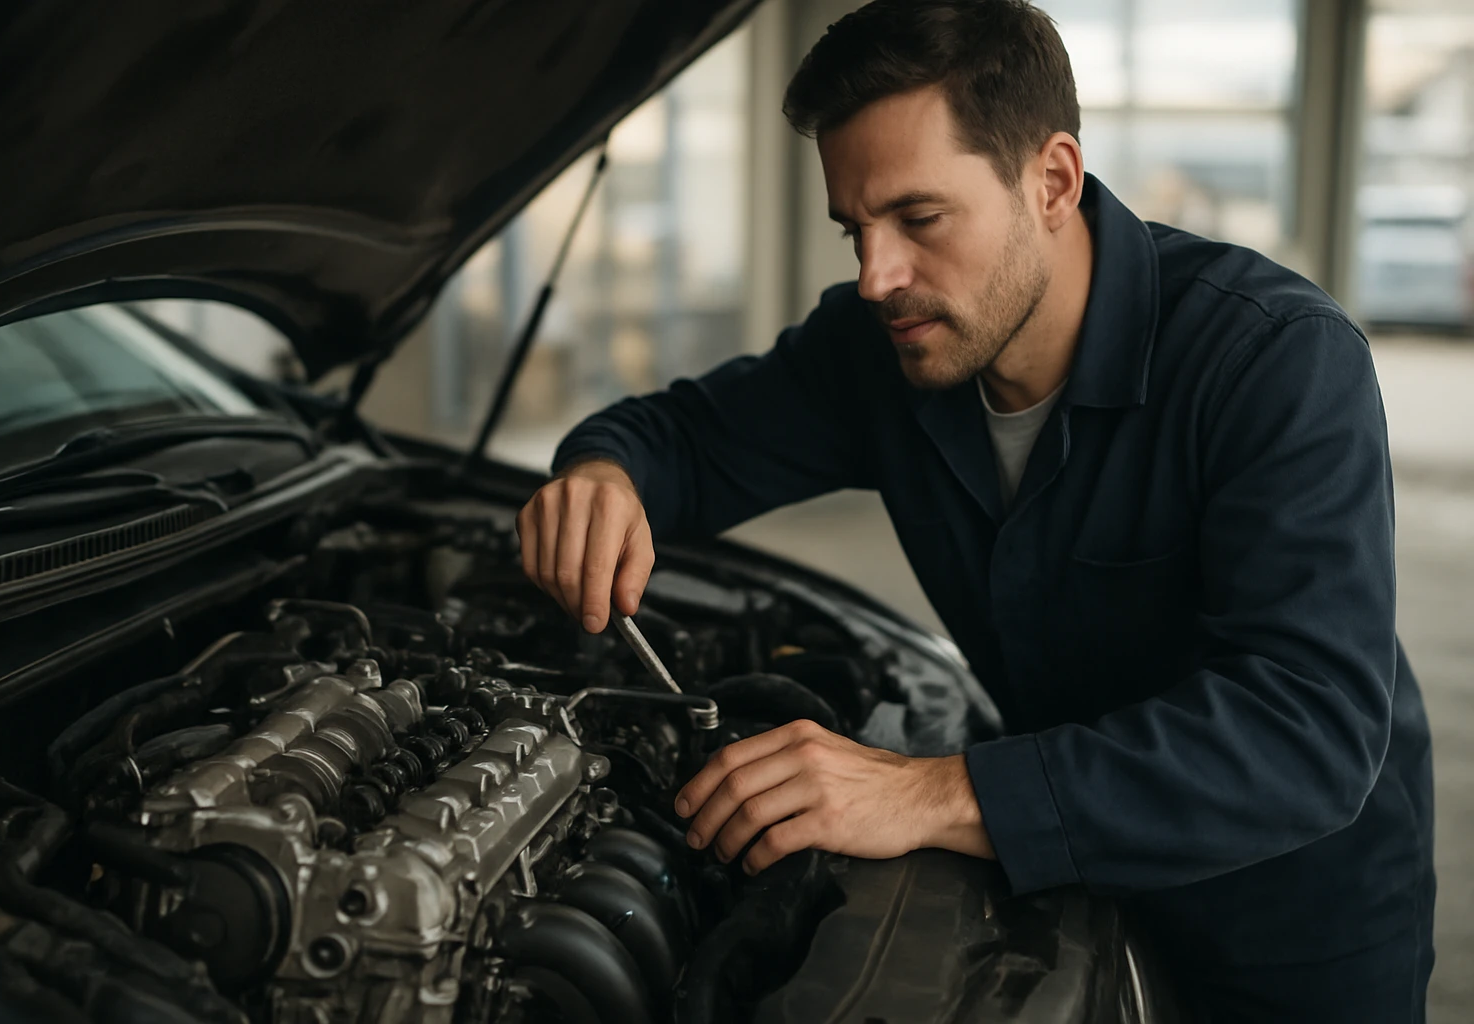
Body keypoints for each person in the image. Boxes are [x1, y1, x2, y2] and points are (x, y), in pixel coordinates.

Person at [514, 1, 1436, 1020]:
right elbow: (683, 438)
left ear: (1052, 181)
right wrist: (603, 473)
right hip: (1058, 882)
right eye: (854, 228)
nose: (876, 276)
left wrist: (931, 790)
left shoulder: (1274, 362)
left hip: (1287, 931)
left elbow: (1307, 728)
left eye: (919, 218)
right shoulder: (885, 349)